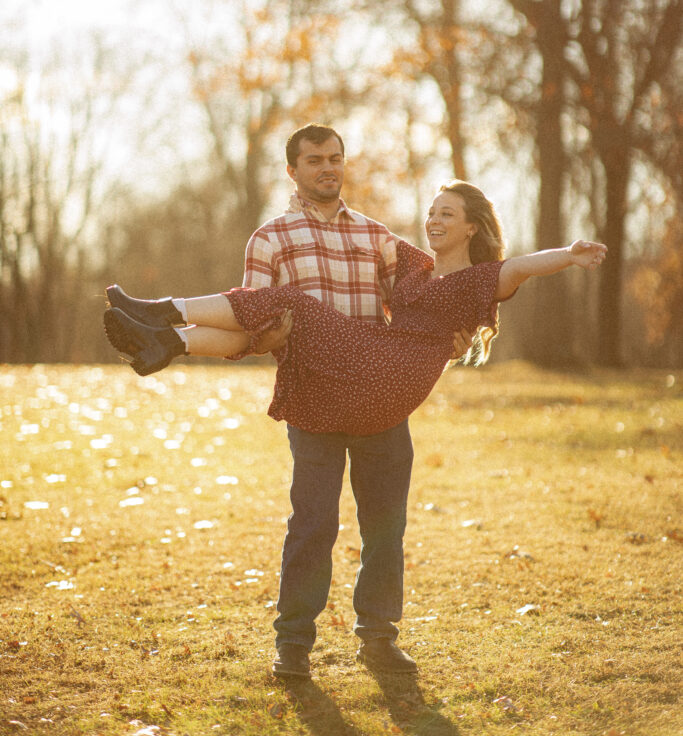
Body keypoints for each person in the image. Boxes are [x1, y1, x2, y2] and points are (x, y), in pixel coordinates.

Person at [103, 125, 607, 678]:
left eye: (336, 158)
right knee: (312, 524)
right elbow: (251, 319)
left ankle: (379, 640)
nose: (328, 167)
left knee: (384, 526)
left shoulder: (379, 239)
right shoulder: (271, 239)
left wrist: (561, 258)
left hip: (377, 385)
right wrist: (274, 339)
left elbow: (497, 274)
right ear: (292, 170)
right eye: (315, 159)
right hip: (317, 395)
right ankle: (292, 645)